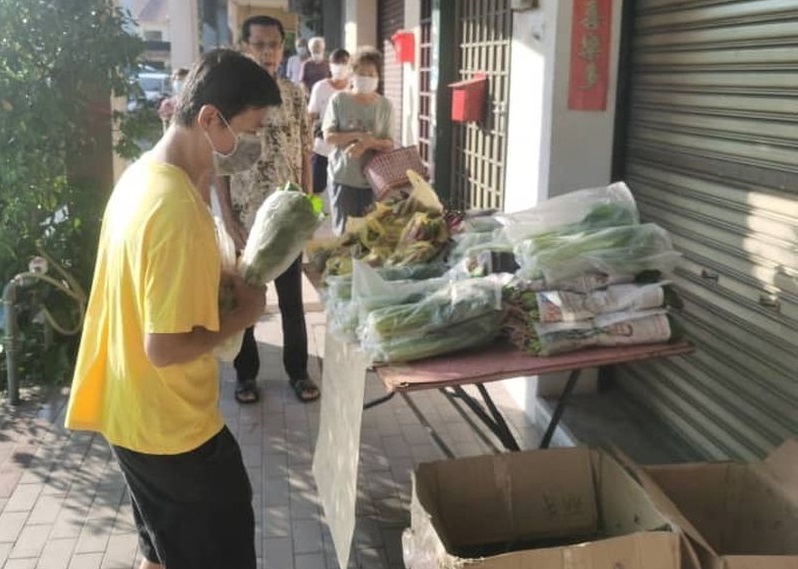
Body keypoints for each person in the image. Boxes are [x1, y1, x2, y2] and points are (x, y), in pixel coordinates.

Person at [64, 49, 281, 569]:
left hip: (129, 410)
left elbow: (144, 282)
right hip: (171, 431)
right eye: (250, 129)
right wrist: (245, 313)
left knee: (161, 552)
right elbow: (163, 348)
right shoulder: (176, 210)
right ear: (210, 119)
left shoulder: (144, 175)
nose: (253, 144)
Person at [216, 15, 319, 404]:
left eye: (274, 44)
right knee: (245, 300)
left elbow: (305, 152)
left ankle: (299, 373)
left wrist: (309, 206)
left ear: (283, 47)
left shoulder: (294, 93)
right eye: (259, 44)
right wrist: (228, 218)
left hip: (288, 219)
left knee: (292, 302)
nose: (268, 52)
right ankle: (246, 376)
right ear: (245, 47)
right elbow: (220, 165)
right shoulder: (230, 97)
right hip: (246, 220)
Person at [322, 47, 395, 235]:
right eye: (362, 73)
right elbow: (329, 136)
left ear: (378, 77)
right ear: (352, 74)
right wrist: (357, 135)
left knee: (371, 236)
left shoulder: (385, 105)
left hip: (375, 183)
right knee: (345, 235)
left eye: (371, 74)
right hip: (344, 178)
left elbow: (389, 143)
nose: (366, 77)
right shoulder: (339, 100)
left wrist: (369, 143)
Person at [307, 48, 350, 195]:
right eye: (336, 62)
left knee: (342, 193)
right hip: (322, 149)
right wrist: (307, 143)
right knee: (316, 191)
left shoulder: (353, 87)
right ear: (330, 65)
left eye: (344, 62)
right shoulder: (320, 87)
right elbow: (311, 116)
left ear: (349, 65)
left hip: (347, 151)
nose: (340, 66)